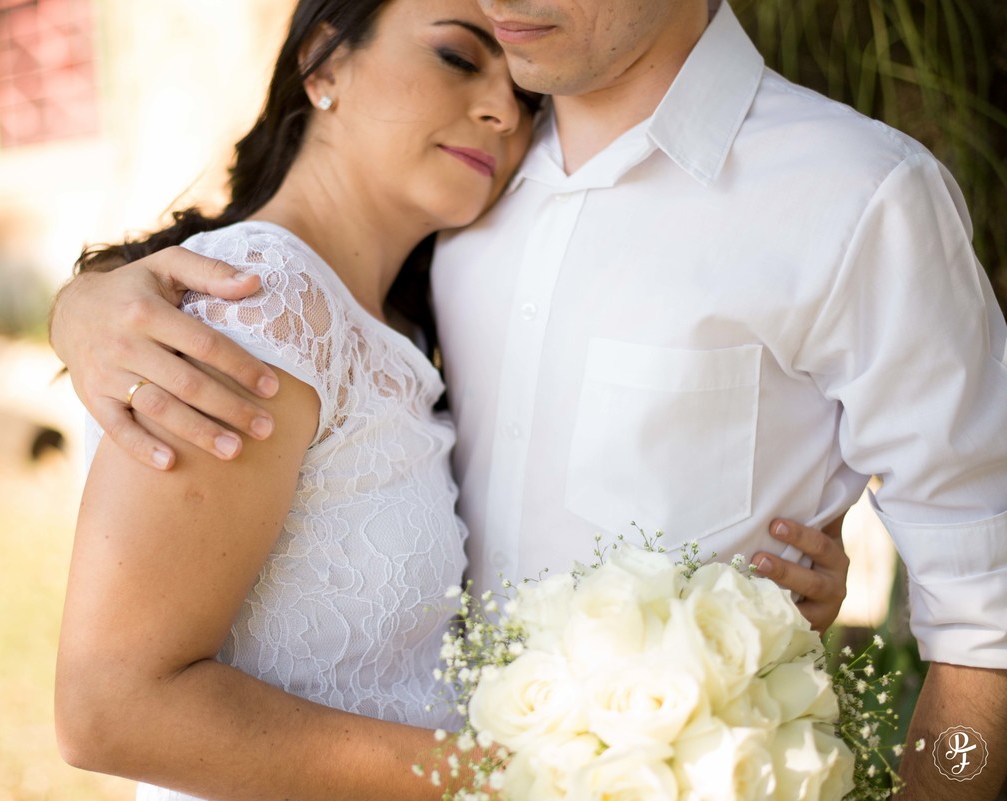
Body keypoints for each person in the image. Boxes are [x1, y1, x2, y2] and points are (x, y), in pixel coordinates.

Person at [52, 0, 1007, 796]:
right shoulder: (453, 196)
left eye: (491, 78)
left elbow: (986, 609)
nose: (498, 105)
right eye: (456, 56)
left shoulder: (854, 197)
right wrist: (83, 304)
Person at [55, 1, 540, 799]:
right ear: (325, 62)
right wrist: (511, 780)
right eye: (458, 56)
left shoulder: (402, 326)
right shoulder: (260, 303)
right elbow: (110, 706)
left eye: (526, 93)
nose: (504, 111)